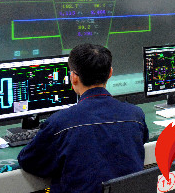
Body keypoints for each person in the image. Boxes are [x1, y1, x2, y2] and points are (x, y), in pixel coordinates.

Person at [18, 44, 148, 192]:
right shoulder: (136, 115)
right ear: (110, 73)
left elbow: (28, 161)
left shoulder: (60, 123)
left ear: (73, 77)